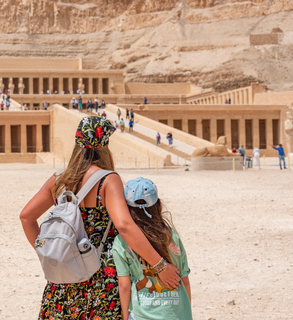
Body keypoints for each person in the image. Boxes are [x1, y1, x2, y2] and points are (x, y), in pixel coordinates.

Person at [20, 117, 181, 320]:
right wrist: (160, 266)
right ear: (104, 146)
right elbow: (124, 226)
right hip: (100, 275)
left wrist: (49, 251)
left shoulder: (58, 179)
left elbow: (26, 217)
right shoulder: (107, 179)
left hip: (64, 272)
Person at [112, 177, 192, 320]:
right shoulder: (170, 236)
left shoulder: (121, 242)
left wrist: (125, 316)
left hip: (141, 314)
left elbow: (124, 285)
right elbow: (184, 279)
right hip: (174, 314)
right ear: (158, 204)